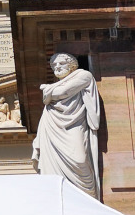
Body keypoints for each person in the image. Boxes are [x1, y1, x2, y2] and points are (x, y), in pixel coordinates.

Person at [32, 52, 100, 199]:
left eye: (61, 63)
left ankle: (88, 198)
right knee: (51, 168)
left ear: (72, 65)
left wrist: (48, 89)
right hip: (52, 125)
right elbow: (54, 94)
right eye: (53, 65)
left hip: (74, 124)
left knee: (80, 160)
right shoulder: (56, 84)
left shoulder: (84, 75)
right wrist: (50, 91)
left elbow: (62, 92)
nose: (57, 67)